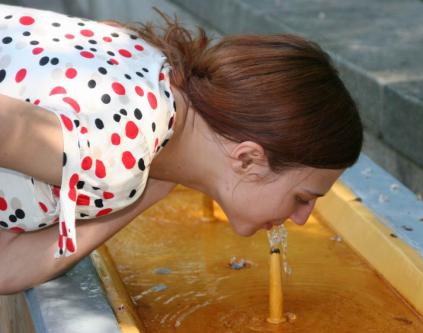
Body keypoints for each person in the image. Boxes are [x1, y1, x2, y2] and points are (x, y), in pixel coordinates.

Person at [0, 4, 363, 294]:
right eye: (303, 197)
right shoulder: (120, 147)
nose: (302, 218)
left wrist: (146, 190)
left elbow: (8, 266)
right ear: (248, 157)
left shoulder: (151, 75)